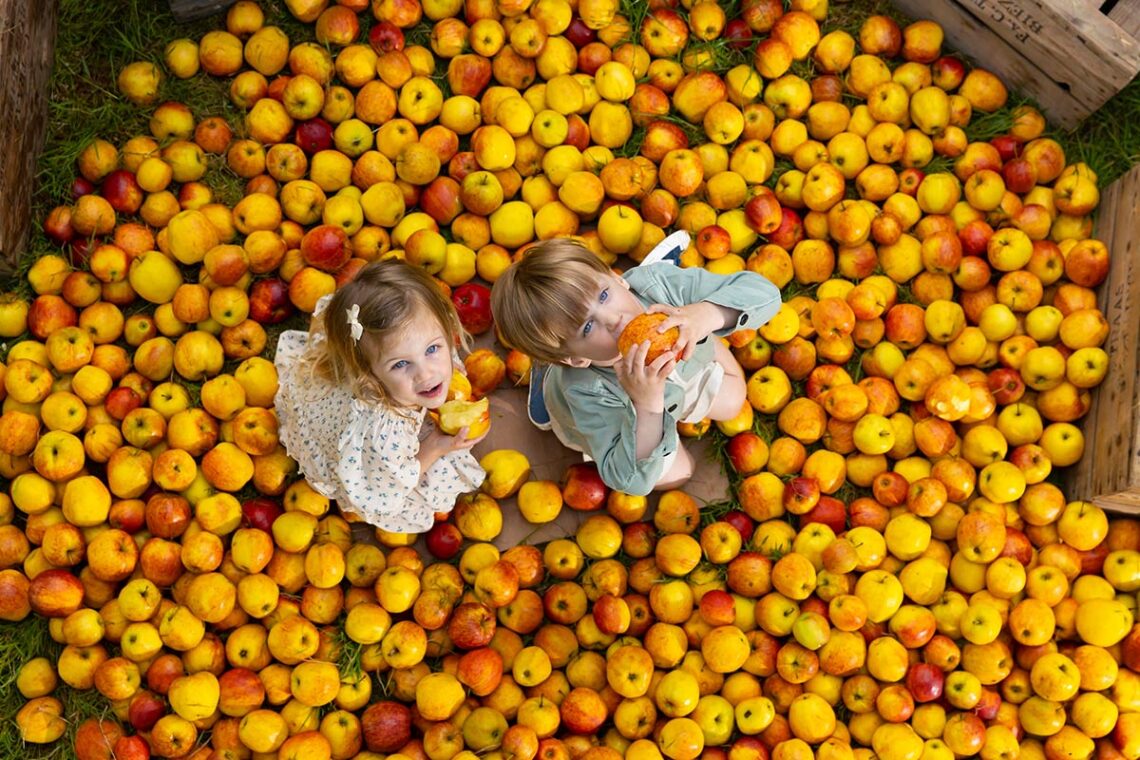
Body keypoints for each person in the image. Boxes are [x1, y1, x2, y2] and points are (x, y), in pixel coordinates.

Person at [491, 237, 781, 496]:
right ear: (577, 358)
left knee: (733, 401)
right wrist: (647, 403)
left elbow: (765, 293)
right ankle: (547, 374)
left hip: (682, 376)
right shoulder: (585, 391)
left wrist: (703, 314)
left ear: (617, 279)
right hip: (629, 420)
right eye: (588, 327)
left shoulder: (660, 287)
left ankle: (560, 348)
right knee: (680, 474)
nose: (613, 318)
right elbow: (629, 479)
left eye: (604, 295)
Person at [273, 259, 485, 534]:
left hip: (341, 410)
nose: (426, 374)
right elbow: (390, 484)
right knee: (432, 476)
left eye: (433, 348)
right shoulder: (385, 433)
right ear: (367, 375)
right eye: (400, 364)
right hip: (360, 455)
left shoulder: (381, 353)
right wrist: (434, 446)